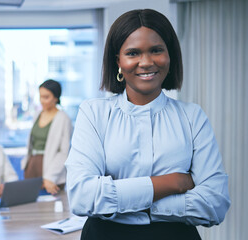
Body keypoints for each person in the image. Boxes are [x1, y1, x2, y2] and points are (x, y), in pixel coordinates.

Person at [65, 9, 230, 239]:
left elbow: (215, 204)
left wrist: (127, 201)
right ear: (118, 61)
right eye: (133, 53)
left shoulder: (192, 116)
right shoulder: (94, 113)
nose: (146, 62)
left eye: (156, 50)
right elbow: (83, 197)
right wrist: (172, 183)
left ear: (169, 55)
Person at [22, 79, 72, 195]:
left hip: (51, 169)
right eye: (40, 97)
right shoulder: (38, 114)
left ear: (56, 97)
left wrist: (50, 177)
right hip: (32, 167)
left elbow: (64, 152)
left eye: (46, 97)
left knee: (49, 208)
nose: (42, 101)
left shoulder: (63, 119)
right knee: (29, 207)